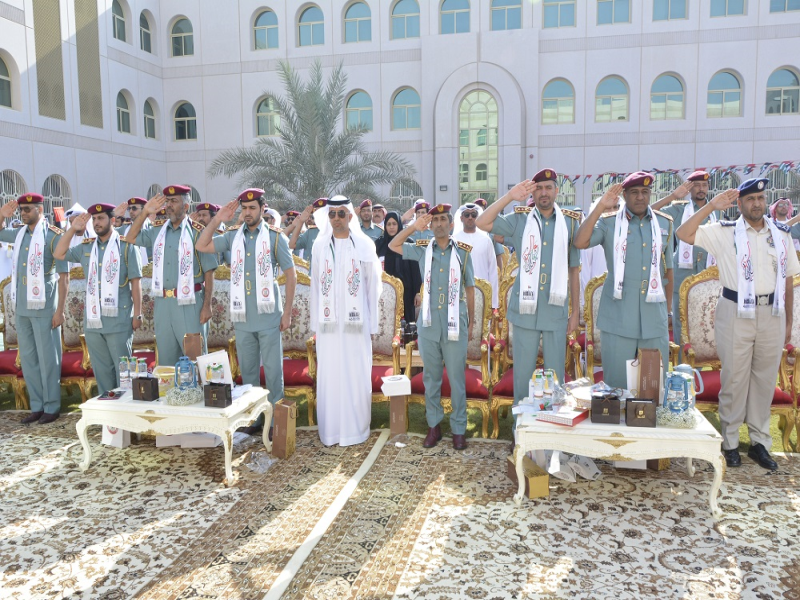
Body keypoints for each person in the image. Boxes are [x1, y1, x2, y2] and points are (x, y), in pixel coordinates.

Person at [677, 179, 800, 470]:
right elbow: (684, 233)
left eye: (760, 197)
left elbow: (789, 280)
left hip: (772, 312)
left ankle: (759, 443)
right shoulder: (725, 232)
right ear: (740, 203)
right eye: (750, 199)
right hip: (734, 311)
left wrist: (788, 323)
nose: (756, 203)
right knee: (734, 378)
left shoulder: (780, 234)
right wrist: (711, 206)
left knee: (764, 380)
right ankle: (730, 442)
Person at [196, 189, 296, 437]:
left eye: (253, 208)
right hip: (243, 317)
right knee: (248, 372)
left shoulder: (275, 238)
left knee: (273, 372)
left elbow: (291, 275)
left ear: (263, 208)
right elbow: (202, 244)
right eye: (245, 208)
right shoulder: (232, 237)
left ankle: (275, 423)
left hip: (269, 315)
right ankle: (254, 419)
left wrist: (287, 314)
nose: (248, 212)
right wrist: (219, 219)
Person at [477, 169, 581, 392]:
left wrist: (575, 313)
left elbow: (574, 269)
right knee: (523, 376)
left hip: (555, 309)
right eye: (539, 188)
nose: (544, 193)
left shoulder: (570, 224)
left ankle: (552, 424)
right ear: (533, 192)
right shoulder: (520, 220)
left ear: (556, 190)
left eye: (548, 187)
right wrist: (509, 197)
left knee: (555, 379)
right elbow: (482, 223)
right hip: (525, 310)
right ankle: (521, 426)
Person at [574, 172, 674, 388]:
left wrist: (667, 313)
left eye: (645, 192)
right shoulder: (609, 223)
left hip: (653, 319)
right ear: (625, 196)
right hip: (619, 317)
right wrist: (601, 206)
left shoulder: (664, 224)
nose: (640, 197)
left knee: (653, 387)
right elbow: (580, 242)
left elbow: (668, 273)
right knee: (617, 389)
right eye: (635, 193)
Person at [391, 204, 475, 450]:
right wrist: (413, 227)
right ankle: (434, 426)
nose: (438, 224)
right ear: (430, 224)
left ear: (451, 224)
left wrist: (471, 322)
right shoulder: (422, 250)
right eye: (434, 220)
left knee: (457, 378)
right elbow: (394, 245)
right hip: (428, 324)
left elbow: (470, 288)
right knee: (431, 377)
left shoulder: (463, 253)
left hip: (454, 324)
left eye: (443, 220)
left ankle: (459, 429)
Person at [310, 195, 381, 446]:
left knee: (355, 374)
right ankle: (331, 431)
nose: (337, 218)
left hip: (356, 325)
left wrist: (373, 325)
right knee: (330, 375)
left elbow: (373, 287)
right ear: (328, 217)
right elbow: (316, 287)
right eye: (332, 214)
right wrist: (315, 324)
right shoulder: (319, 246)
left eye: (342, 213)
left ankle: (355, 430)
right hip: (328, 326)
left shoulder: (364, 245)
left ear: (351, 216)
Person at [54, 204, 142, 395]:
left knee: (124, 372)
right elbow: (59, 253)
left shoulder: (126, 247)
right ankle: (109, 420)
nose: (96, 223)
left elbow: (136, 284)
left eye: (100, 218)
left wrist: (138, 314)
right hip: (94, 321)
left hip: (118, 319)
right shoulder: (87, 247)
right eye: (94, 219)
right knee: (102, 372)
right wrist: (72, 229)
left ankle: (126, 416)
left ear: (112, 220)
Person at [125, 185, 218, 366]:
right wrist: (144, 213)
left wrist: (207, 306)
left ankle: (198, 394)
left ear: (185, 207)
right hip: (163, 304)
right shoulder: (157, 231)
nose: (169, 205)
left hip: (190, 304)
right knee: (166, 361)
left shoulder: (197, 232)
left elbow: (209, 272)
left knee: (195, 358)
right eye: (167, 201)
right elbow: (130, 237)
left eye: (174, 201)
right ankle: (171, 395)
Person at [0, 194, 69, 424]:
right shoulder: (19, 234)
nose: (23, 213)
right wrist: (1, 215)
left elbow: (64, 277)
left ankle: (52, 406)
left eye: (27, 209)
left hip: (44, 308)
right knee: (29, 359)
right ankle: (37, 405)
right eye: (21, 210)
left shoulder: (52, 236)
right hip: (22, 309)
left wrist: (60, 311)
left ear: (40, 209)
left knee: (48, 358)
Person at [651, 171, 720, 358]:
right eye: (696, 185)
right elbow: (650, 212)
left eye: (704, 185)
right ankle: (683, 361)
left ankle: (705, 357)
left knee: (707, 317)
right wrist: (673, 196)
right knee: (683, 319)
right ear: (689, 188)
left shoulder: (716, 211)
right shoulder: (679, 209)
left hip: (708, 270)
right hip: (682, 271)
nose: (701, 189)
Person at [376, 211, 422, 324]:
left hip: (407, 292)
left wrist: (418, 292)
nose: (391, 227)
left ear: (399, 225)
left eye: (394, 224)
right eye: (389, 224)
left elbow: (415, 271)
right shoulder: (379, 244)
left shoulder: (408, 243)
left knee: (407, 325)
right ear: (385, 226)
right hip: (385, 293)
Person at [455, 202, 499, 308]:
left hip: (483, 294)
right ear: (461, 218)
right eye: (467, 215)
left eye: (474, 215)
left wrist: (494, 304)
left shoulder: (486, 240)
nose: (470, 218)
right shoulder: (454, 240)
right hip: (461, 295)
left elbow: (493, 272)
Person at [114, 197, 151, 266]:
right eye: (129, 209)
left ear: (144, 210)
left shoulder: (151, 228)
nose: (131, 211)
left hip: (151, 274)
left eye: (134, 208)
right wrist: (113, 214)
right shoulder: (125, 229)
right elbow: (106, 234)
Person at [290, 198, 326, 264]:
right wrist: (301, 221)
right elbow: (292, 245)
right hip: (312, 273)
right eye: (317, 212)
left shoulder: (338, 232)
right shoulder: (311, 232)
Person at [63, 203, 96, 269]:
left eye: (75, 221)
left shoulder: (93, 238)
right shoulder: (68, 240)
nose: (73, 224)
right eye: (70, 222)